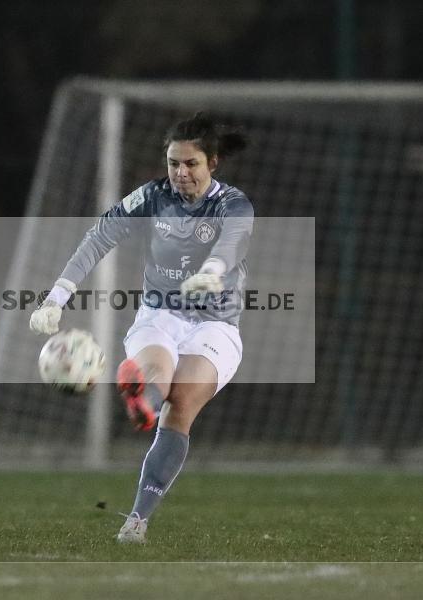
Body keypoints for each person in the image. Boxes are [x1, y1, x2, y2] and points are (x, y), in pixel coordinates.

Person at [29, 112, 253, 544]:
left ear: (212, 163)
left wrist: (212, 270)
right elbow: (100, 236)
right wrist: (56, 297)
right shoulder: (152, 196)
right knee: (157, 373)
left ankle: (137, 515)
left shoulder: (233, 203)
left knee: (181, 404)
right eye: (173, 163)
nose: (180, 173)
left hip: (216, 324)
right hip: (160, 313)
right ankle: (143, 403)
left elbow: (234, 239)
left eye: (191, 164)